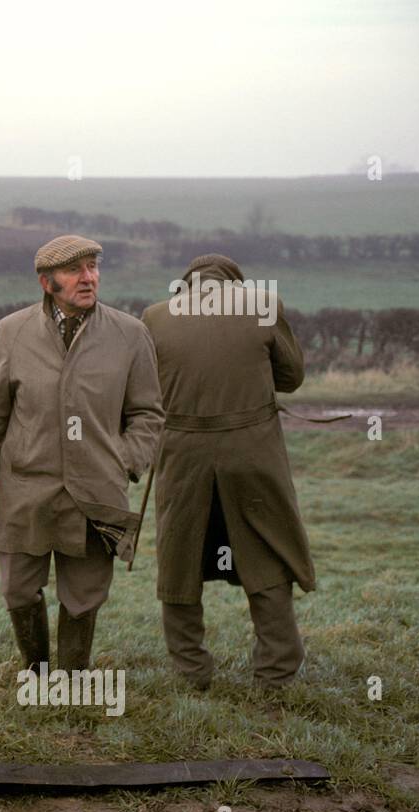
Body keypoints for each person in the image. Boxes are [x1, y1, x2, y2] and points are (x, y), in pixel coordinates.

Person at [0, 235, 163, 672]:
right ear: (46, 281)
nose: (89, 278)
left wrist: (123, 460)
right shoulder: (12, 331)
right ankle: (35, 672)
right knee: (18, 588)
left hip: (96, 490)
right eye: (76, 270)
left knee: (84, 592)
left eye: (93, 267)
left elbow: (149, 414)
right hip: (25, 486)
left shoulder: (130, 334)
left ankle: (72, 677)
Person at [142, 254, 314, 690]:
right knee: (267, 551)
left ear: (188, 282)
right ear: (234, 281)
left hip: (183, 455)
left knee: (179, 558)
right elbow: (291, 377)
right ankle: (275, 674)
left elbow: (147, 385)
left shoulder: (155, 316)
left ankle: (191, 672)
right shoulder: (263, 303)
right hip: (252, 452)